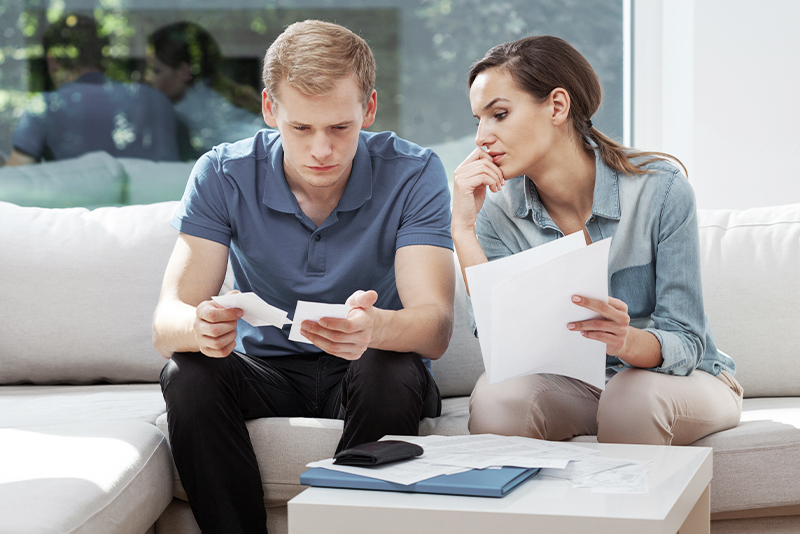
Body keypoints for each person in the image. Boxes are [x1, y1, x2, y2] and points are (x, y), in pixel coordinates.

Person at [153, 20, 454, 534]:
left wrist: (375, 327)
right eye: (301, 128)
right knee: (188, 371)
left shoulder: (415, 172)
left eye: (340, 128)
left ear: (370, 109)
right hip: (265, 373)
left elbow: (435, 328)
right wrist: (200, 326)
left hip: (368, 370)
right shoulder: (223, 173)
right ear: (271, 110)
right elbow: (166, 323)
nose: (322, 151)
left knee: (391, 365)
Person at [451, 35, 743, 446]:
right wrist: (462, 229)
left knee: (630, 396)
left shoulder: (660, 189)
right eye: (478, 120)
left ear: (557, 105)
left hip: (678, 379)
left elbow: (687, 339)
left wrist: (627, 340)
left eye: (498, 114)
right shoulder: (495, 210)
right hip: (579, 387)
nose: (482, 137)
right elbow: (499, 344)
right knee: (498, 397)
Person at [8, 14, 180, 166]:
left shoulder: (45, 107)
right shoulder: (155, 100)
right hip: (155, 202)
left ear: (52, 61)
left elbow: (14, 179)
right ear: (104, 57)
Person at [148, 21, 265, 159]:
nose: (149, 78)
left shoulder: (188, 112)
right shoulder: (213, 95)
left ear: (184, 72)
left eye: (156, 71)